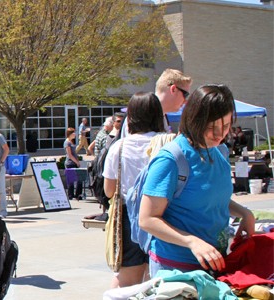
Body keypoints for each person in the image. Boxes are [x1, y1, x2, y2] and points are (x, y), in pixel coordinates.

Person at [139, 84, 255, 277]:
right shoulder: (171, 159)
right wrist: (192, 241)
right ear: (194, 120)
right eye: (211, 127)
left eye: (225, 126)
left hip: (215, 263)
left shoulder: (220, 151)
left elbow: (210, 199)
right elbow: (147, 219)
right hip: (176, 267)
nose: (219, 134)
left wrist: (244, 213)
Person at [102, 92, 166, 288]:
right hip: (164, 214)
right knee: (158, 278)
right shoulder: (167, 143)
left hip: (128, 217)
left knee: (127, 278)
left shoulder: (119, 147)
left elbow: (109, 191)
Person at [121, 69, 192, 138]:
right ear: (173, 89)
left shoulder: (163, 116)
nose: (185, 101)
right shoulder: (138, 114)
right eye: (185, 95)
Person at [64, 127, 83, 200]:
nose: (75, 134)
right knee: (71, 180)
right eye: (73, 133)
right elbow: (70, 155)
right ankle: (70, 195)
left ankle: (78, 194)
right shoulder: (67, 142)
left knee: (79, 179)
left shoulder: (72, 142)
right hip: (70, 163)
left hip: (74, 162)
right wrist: (76, 162)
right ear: (70, 134)